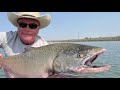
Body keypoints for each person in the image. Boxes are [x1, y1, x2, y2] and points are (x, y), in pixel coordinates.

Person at [0, 12, 59, 78]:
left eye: (32, 26)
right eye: (22, 25)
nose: (27, 29)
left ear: (38, 29)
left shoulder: (45, 47)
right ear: (17, 26)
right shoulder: (8, 37)